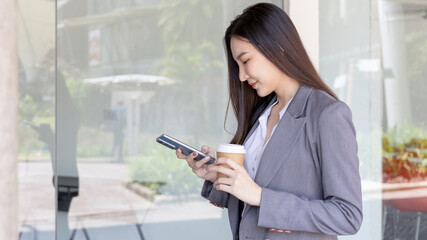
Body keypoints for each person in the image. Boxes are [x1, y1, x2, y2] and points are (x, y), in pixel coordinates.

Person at [176, 3, 362, 240]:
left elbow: (348, 216)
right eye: (237, 65)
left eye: (245, 61)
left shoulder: (328, 114)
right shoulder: (261, 114)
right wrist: (219, 177)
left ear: (278, 47)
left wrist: (261, 197)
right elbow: (249, 203)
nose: (242, 76)